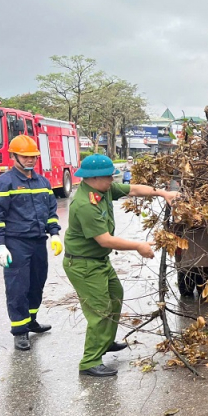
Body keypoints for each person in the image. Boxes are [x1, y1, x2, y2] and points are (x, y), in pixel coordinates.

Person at [63, 154, 178, 377]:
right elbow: (105, 240)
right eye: (108, 177)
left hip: (98, 261)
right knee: (99, 311)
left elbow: (133, 189)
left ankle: (105, 342)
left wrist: (162, 193)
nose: (111, 181)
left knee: (116, 296)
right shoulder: (85, 205)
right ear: (93, 178)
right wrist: (138, 246)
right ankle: (89, 362)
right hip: (83, 265)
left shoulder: (103, 190)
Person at [0, 135, 63, 351]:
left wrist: (55, 233)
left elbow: (50, 211)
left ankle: (31, 320)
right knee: (17, 287)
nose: (30, 160)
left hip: (38, 241)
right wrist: (0, 244)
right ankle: (20, 331)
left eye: (34, 157)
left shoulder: (42, 182)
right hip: (15, 243)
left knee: (36, 283)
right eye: (26, 156)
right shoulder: (3, 183)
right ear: (14, 156)